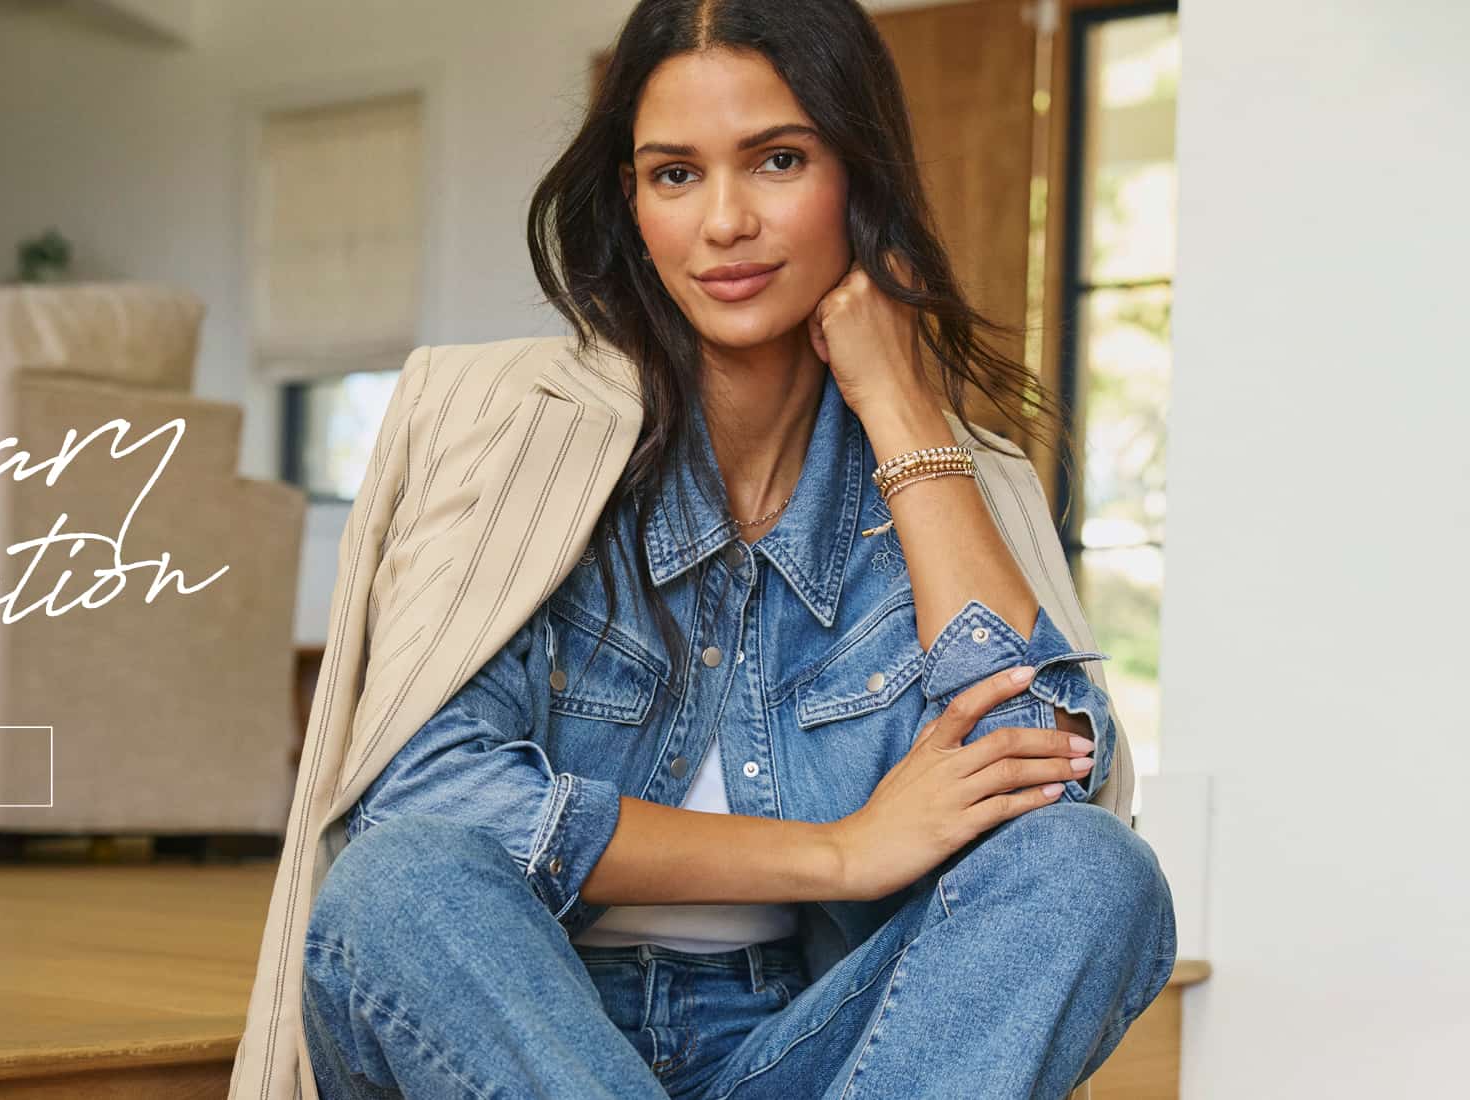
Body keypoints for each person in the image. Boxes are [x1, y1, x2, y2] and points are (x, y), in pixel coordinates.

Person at [293, 0, 1177, 1097]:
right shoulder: (513, 428)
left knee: (1091, 873)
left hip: (818, 1043)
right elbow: (432, 799)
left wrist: (901, 407)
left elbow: (1041, 775)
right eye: (673, 173)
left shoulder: (945, 474)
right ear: (632, 199)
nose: (721, 222)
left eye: (775, 159)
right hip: (507, 1028)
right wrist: (838, 850)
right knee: (402, 884)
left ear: (856, 175)